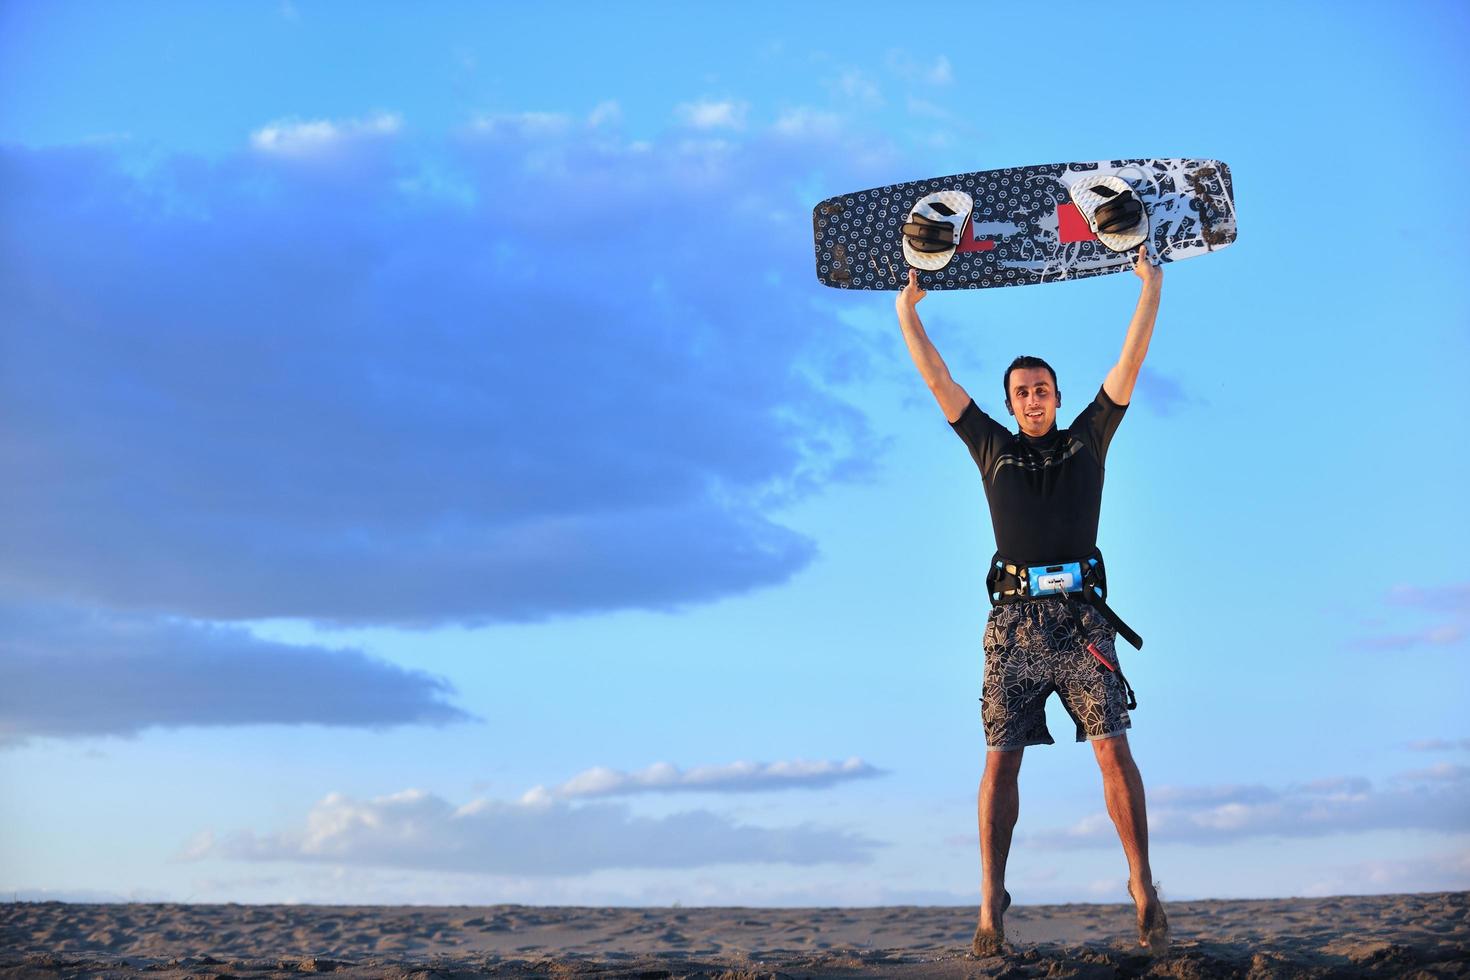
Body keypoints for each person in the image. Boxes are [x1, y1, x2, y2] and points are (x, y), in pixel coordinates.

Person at [895, 244, 1169, 958]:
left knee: (1113, 752)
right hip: (1012, 628)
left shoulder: (1088, 441)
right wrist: (906, 312)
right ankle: (991, 903)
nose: (1033, 397)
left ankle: (1142, 886)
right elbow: (936, 379)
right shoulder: (991, 446)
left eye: (1042, 387)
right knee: (1000, 762)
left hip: (1082, 623)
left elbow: (1129, 365)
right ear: (1012, 403)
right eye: (1022, 391)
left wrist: (1149, 286)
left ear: (1056, 392)